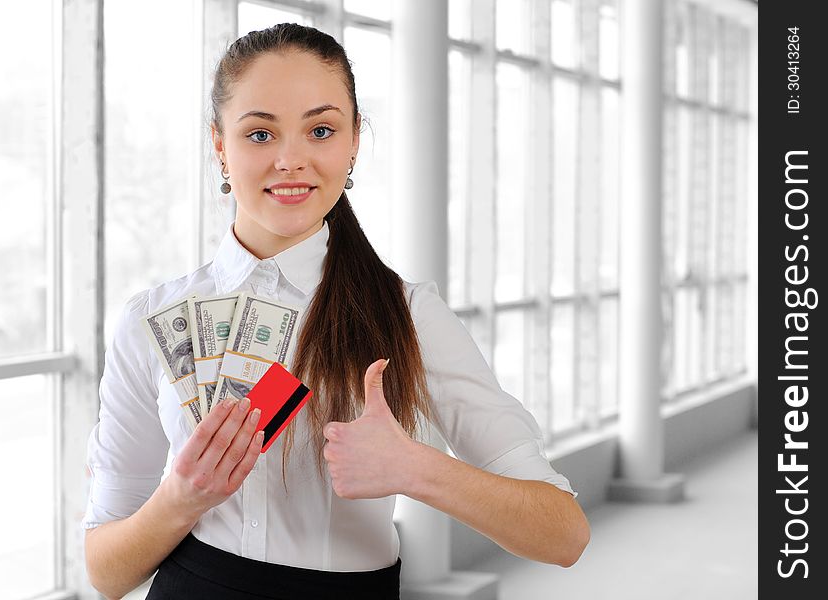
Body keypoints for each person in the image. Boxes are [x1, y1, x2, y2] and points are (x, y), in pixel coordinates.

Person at [83, 22, 589, 600]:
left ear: (352, 143)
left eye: (320, 130)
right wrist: (183, 495)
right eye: (259, 134)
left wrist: (415, 468)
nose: (291, 160)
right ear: (219, 145)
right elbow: (107, 573)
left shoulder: (410, 317)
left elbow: (564, 536)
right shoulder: (151, 320)